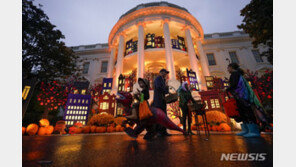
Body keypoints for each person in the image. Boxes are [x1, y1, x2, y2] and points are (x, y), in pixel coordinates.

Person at [226, 63, 263, 138]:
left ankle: (254, 131)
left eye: (228, 68)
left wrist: (227, 89)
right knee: (242, 112)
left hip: (242, 96)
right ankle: (247, 129)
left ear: (231, 67)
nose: (227, 69)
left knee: (247, 112)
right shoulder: (236, 74)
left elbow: (234, 84)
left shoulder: (235, 74)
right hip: (239, 96)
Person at [152, 69, 171, 137]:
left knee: (164, 115)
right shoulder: (158, 78)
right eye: (163, 73)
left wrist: (167, 88)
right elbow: (159, 87)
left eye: (166, 73)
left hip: (162, 100)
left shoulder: (163, 80)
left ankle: (163, 131)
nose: (165, 74)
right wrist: (165, 88)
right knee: (160, 115)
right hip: (158, 100)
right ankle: (159, 131)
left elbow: (164, 91)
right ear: (160, 73)